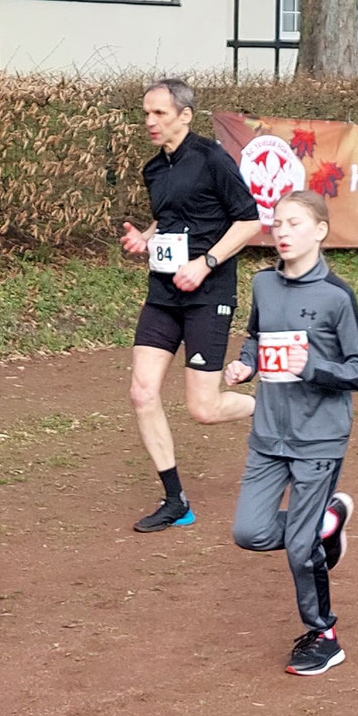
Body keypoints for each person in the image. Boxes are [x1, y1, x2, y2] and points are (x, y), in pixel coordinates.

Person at [226, 191, 358, 676]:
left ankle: (324, 635)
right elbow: (255, 337)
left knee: (300, 550)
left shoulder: (336, 296)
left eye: (293, 223)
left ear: (320, 232)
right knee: (250, 532)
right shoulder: (264, 285)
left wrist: (314, 367)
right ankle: (324, 524)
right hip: (268, 433)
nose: (282, 232)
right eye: (277, 223)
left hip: (319, 438)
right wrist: (245, 365)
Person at [122, 79, 263, 533]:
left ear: (184, 115)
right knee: (142, 392)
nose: (150, 121)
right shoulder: (154, 170)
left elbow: (248, 221)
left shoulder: (213, 159)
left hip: (208, 293)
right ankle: (175, 499)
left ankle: (273, 410)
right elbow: (171, 217)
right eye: (146, 113)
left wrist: (207, 263)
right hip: (163, 294)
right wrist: (144, 237)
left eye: (159, 114)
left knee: (203, 408)